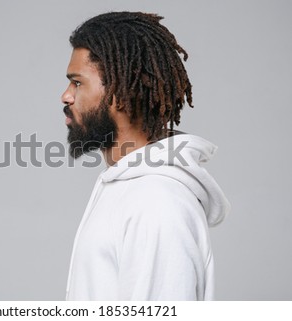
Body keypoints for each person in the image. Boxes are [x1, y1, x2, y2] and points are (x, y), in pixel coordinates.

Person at [61, 12, 230, 300]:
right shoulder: (126, 187)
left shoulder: (158, 204)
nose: (66, 95)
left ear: (119, 92)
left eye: (77, 82)